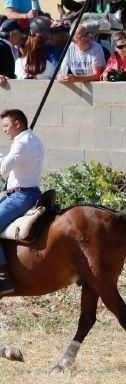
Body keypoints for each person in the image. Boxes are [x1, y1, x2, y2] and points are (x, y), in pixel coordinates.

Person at [0, 108, 44, 294]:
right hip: (27, 193)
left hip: (21, 196)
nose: (4, 130)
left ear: (17, 124)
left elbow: (3, 169)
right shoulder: (31, 140)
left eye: (6, 125)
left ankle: (3, 277)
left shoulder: (22, 142)